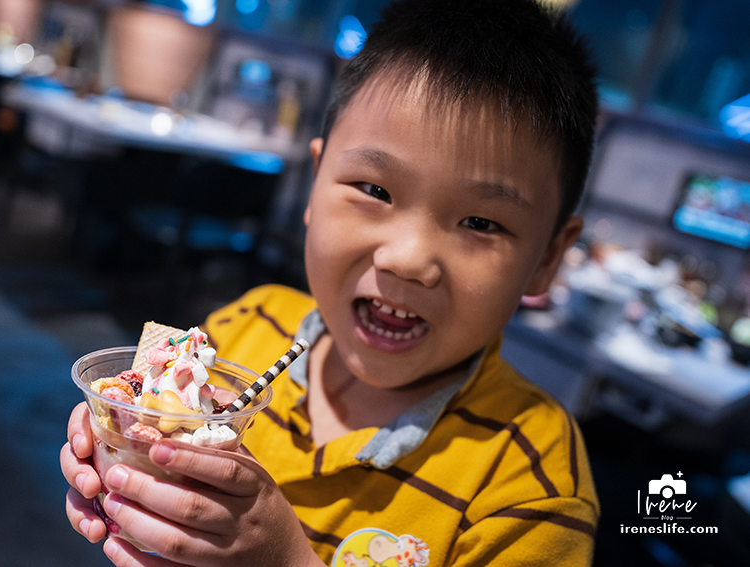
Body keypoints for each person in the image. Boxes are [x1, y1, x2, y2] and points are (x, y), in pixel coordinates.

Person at [61, 0, 600, 565]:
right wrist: (117, 463)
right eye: (375, 190)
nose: (408, 259)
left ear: (548, 258)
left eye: (481, 223)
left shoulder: (532, 477)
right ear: (316, 183)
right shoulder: (246, 326)